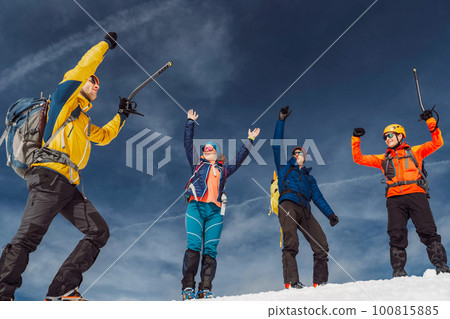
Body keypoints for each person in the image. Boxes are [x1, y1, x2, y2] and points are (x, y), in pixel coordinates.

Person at [0, 32, 132, 301]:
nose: (97, 86)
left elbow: (104, 136)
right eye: (93, 81)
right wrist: (104, 45)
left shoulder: (81, 120)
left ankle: (61, 291)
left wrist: (122, 116)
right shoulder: (62, 102)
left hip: (68, 185)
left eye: (99, 84)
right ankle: (2, 293)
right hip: (48, 177)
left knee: (99, 231)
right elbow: (84, 67)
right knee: (28, 238)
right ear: (81, 82)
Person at [352, 109, 450, 277]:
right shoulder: (383, 158)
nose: (387, 139)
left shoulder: (415, 151)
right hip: (394, 198)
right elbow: (358, 158)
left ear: (400, 136)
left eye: (390, 135)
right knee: (396, 234)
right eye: (385, 137)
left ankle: (442, 267)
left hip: (416, 194)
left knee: (427, 230)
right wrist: (356, 138)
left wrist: (430, 122)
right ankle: (398, 271)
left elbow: (437, 142)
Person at [181, 109, 260, 300]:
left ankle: (205, 289)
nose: (206, 151)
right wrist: (190, 122)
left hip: (215, 212)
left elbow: (240, 159)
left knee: (210, 249)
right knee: (193, 246)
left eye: (211, 149)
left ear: (216, 154)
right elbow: (187, 144)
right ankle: (188, 288)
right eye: (205, 149)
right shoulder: (196, 165)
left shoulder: (223, 170)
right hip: (196, 208)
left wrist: (249, 140)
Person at [273, 106, 339, 289]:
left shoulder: (310, 178)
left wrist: (330, 214)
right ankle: (292, 282)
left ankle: (321, 283)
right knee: (291, 242)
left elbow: (318, 197)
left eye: (300, 152)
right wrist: (281, 121)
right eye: (294, 153)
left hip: (305, 210)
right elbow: (276, 145)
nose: (297, 155)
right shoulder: (284, 169)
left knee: (321, 244)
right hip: (288, 205)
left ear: (305, 157)